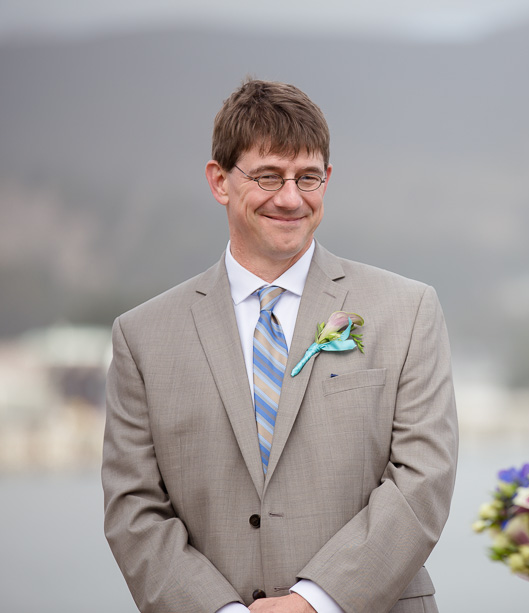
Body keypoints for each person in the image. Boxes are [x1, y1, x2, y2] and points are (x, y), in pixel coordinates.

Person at [102, 78, 459, 613]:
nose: (291, 198)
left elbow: (423, 480)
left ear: (327, 179)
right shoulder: (142, 337)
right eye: (268, 177)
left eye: (307, 177)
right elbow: (135, 509)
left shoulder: (407, 311)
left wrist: (314, 601)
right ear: (219, 181)